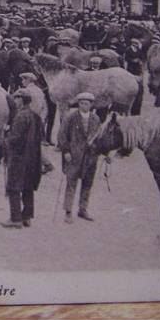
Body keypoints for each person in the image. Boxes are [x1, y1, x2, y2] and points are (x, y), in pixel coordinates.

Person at [1, 86, 43, 228]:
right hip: (32, 157)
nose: (15, 101)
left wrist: (6, 135)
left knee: (14, 186)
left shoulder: (20, 116)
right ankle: (27, 217)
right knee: (28, 187)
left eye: (16, 98)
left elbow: (15, 139)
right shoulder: (35, 116)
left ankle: (15, 219)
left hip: (18, 158)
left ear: (21, 100)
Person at [57, 91, 102, 224]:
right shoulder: (70, 117)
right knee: (71, 183)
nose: (84, 106)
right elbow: (62, 136)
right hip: (73, 156)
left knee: (87, 183)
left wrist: (104, 153)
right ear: (78, 104)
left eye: (87, 103)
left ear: (91, 105)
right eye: (81, 103)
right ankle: (68, 211)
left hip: (90, 158)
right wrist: (66, 151)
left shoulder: (96, 119)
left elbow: (100, 138)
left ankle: (83, 209)